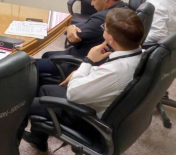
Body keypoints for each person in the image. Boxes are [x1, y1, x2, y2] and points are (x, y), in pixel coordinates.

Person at [20, 8, 144, 152]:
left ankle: (9, 147)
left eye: (105, 27)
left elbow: (73, 93)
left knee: (21, 106)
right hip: (105, 105)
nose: (103, 29)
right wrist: (82, 71)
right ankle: (38, 138)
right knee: (45, 89)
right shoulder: (139, 54)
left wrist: (88, 61)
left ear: (110, 38)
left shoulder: (115, 71)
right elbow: (104, 75)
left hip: (88, 118)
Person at [36, 0, 127, 77]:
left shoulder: (103, 17)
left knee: (29, 65)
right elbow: (86, 27)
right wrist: (72, 26)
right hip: (95, 59)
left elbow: (74, 36)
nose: (91, 3)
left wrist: (70, 28)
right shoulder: (125, 10)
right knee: (46, 55)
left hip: (80, 62)